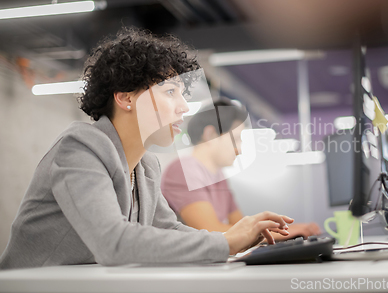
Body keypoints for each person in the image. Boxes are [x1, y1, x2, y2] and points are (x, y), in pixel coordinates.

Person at [0, 28, 293, 270]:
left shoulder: (146, 166)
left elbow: (169, 229)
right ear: (126, 99)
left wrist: (242, 237)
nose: (183, 106)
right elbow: (112, 243)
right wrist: (226, 242)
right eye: (169, 92)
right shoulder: (78, 149)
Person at [161, 99, 321, 240]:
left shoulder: (218, 176)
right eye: (236, 139)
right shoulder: (183, 171)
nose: (240, 149)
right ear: (210, 134)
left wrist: (283, 231)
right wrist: (286, 232)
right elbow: (211, 231)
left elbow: (239, 226)